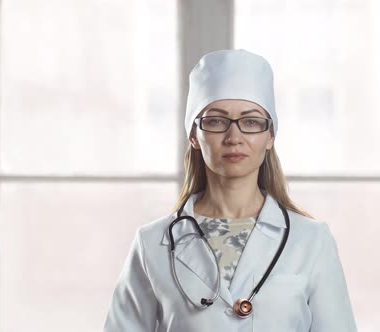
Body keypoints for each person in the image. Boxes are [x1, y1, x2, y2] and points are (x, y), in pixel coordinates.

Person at [104, 49, 358, 331]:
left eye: (251, 122)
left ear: (270, 136)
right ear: (194, 135)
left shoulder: (312, 241)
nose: (234, 137)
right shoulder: (152, 243)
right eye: (216, 121)